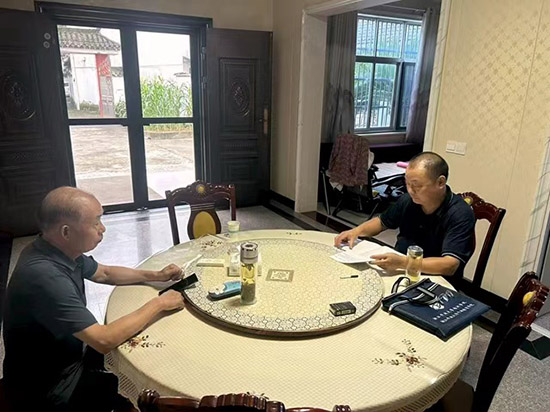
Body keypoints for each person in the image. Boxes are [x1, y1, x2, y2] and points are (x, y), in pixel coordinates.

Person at [3, 187, 186, 412]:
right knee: (149, 386)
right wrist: (159, 303)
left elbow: (105, 273)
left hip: (68, 356)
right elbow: (103, 339)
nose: (103, 228)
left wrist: (156, 275)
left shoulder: (55, 249)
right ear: (66, 232)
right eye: (95, 222)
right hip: (51, 388)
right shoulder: (45, 277)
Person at [334, 152, 475, 278]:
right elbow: (382, 222)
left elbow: (450, 265)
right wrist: (356, 231)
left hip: (436, 279)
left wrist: (405, 262)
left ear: (440, 182)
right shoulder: (408, 200)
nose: (411, 190)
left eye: (417, 185)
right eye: (407, 184)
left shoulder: (460, 213)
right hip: (401, 271)